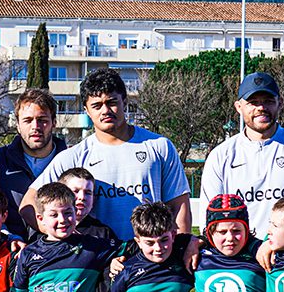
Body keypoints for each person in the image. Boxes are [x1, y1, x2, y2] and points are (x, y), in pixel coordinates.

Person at [23, 69, 191, 241]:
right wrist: (60, 232)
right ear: (86, 110)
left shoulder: (159, 146)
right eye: (96, 105)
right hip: (98, 261)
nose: (105, 110)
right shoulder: (74, 156)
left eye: (111, 102)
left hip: (149, 257)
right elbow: (28, 204)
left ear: (125, 102)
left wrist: (182, 247)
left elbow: (179, 205)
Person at [200, 71, 284, 239]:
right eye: (253, 102)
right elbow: (209, 217)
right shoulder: (221, 155)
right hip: (242, 258)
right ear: (239, 107)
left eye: (268, 101)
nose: (261, 108)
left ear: (280, 103)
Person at [0, 88, 65, 239]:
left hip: (60, 257)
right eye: (28, 120)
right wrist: (6, 237)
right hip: (10, 256)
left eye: (42, 120)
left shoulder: (71, 161)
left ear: (54, 122)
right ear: (17, 125)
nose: (35, 127)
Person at [60, 167, 120, 246]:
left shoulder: (103, 234)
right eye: (75, 191)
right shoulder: (48, 229)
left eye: (88, 193)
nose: (82, 197)